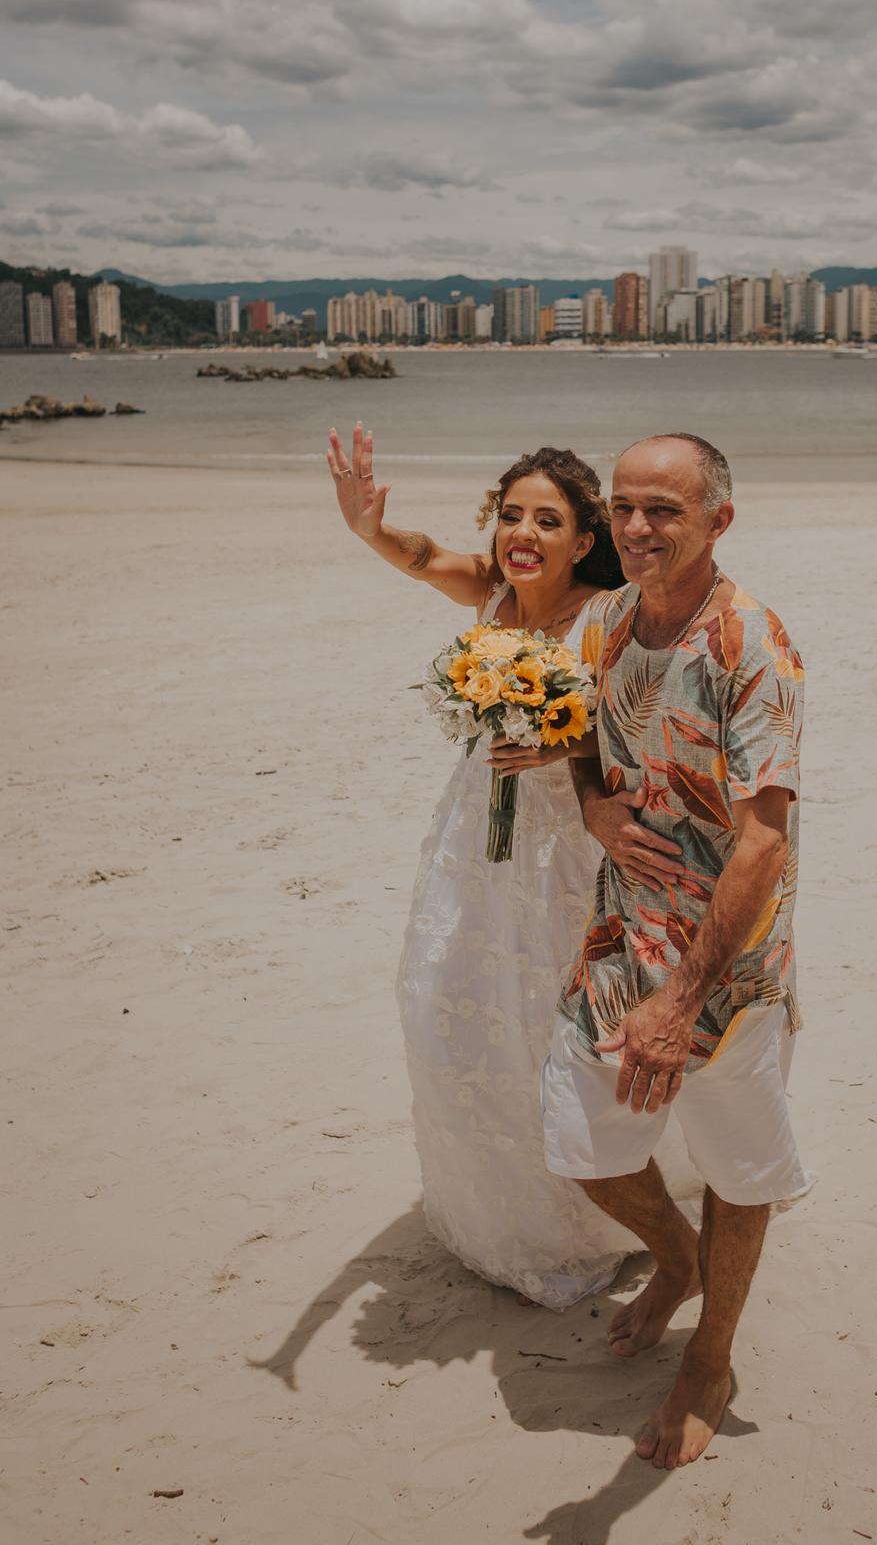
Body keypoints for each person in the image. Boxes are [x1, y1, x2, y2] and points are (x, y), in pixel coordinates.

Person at [543, 431, 814, 1468]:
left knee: (739, 1164)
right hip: (621, 935)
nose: (637, 526)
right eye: (623, 506)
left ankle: (711, 1356)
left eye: (664, 509)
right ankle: (677, 1258)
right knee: (581, 1141)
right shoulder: (607, 619)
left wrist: (683, 998)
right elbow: (576, 726)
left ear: (718, 521)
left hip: (726, 966)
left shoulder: (753, 645)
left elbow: (764, 841)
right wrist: (592, 804)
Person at [326, 422, 641, 1308]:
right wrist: (366, 526)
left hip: (564, 843)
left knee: (546, 1014)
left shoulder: (608, 615)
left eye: (548, 521)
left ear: (585, 541)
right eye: (510, 516)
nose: (523, 535)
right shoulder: (494, 596)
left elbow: (634, 728)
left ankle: (592, 1209)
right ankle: (504, 1207)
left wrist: (557, 745)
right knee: (459, 1002)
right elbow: (423, 555)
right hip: (478, 831)